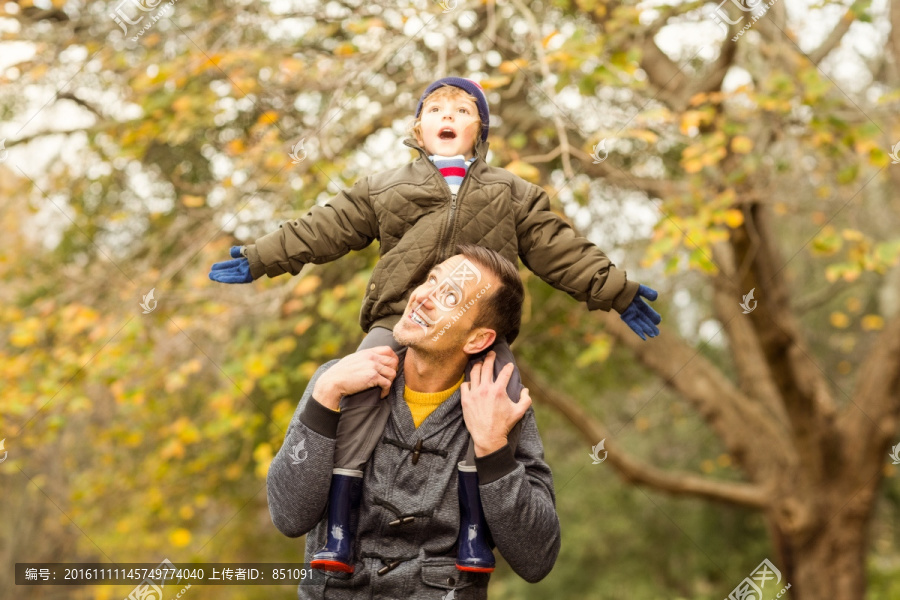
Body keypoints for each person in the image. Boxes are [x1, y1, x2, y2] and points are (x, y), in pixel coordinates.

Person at [211, 77, 661, 572]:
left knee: (498, 404)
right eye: (436, 109)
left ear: (480, 131)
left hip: (480, 333)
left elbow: (560, 250)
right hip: (395, 321)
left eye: (463, 110)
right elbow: (323, 228)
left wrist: (616, 291)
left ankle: (473, 530)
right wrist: (260, 259)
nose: (448, 116)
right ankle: (339, 524)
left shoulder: (512, 193)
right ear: (418, 129)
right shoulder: (385, 187)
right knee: (361, 404)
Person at [267, 246, 560, 598]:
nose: (423, 297)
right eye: (431, 280)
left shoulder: (504, 410)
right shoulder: (336, 382)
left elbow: (537, 559)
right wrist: (324, 398)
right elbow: (288, 517)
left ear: (478, 339)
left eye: (450, 296)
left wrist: (492, 447)